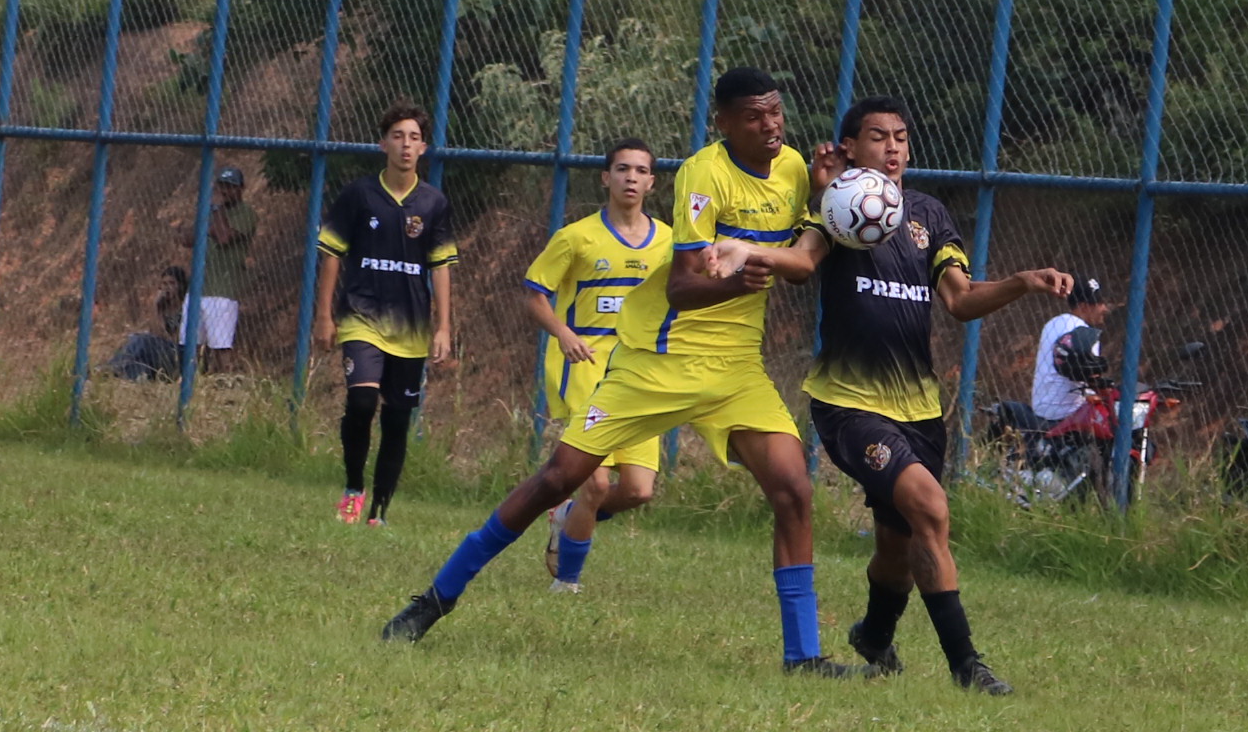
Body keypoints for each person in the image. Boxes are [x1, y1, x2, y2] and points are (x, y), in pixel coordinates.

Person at [382, 68, 864, 677]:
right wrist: (738, 282)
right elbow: (683, 287)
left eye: (776, 113)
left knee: (794, 491)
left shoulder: (793, 167)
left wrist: (822, 198)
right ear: (723, 123)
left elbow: (798, 260)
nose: (771, 126)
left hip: (737, 371)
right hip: (658, 361)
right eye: (754, 116)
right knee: (559, 478)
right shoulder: (703, 174)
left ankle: (803, 656)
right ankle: (435, 599)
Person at [776, 95, 1072, 695]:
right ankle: (967, 667)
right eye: (878, 136)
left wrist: (1021, 282)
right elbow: (802, 263)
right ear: (850, 147)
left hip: (918, 407)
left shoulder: (927, 214)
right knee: (931, 508)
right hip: (851, 403)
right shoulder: (835, 207)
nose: (892, 147)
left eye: (901, 137)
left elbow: (960, 300)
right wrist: (818, 196)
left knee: (900, 543)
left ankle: (874, 635)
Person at [522, 138, 670, 593]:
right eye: (622, 169)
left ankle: (567, 516)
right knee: (596, 483)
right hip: (586, 370)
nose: (631, 178)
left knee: (638, 490)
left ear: (651, 182)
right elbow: (535, 294)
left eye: (640, 171)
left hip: (641, 375)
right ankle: (567, 583)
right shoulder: (576, 237)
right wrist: (563, 333)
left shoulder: (668, 241)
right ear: (606, 177)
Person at [312, 103, 458, 527]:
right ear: (383, 144)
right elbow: (332, 255)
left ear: (424, 147)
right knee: (361, 401)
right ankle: (353, 489)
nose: (406, 145)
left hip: (410, 326)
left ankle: (379, 512)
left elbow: (441, 267)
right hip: (361, 315)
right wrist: (324, 316)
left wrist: (443, 327)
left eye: (414, 138)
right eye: (398, 136)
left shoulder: (433, 203)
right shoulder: (359, 195)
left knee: (396, 419)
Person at [174, 166, 257, 373]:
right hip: (198, 288)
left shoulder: (245, 214)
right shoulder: (210, 211)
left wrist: (216, 213)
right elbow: (186, 239)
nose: (225, 191)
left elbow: (224, 237)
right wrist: (206, 221)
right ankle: (189, 380)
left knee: (220, 345)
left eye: (231, 187)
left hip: (222, 290)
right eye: (222, 186)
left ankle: (224, 381)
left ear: (241, 189)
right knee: (188, 342)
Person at [1031, 275, 1108, 424]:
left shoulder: (1053, 323)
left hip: (1041, 407)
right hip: (1067, 411)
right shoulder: (1085, 334)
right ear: (1084, 306)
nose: (1104, 308)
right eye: (1099, 303)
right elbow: (1092, 377)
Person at [105, 265, 186, 381]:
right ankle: (133, 376)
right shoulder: (162, 308)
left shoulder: (186, 307)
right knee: (137, 359)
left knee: (141, 340)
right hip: (159, 351)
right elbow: (155, 332)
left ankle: (110, 368)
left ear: (181, 285)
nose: (167, 287)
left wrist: (156, 339)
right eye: (164, 284)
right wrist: (155, 307)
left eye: (172, 283)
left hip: (178, 354)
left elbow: (174, 339)